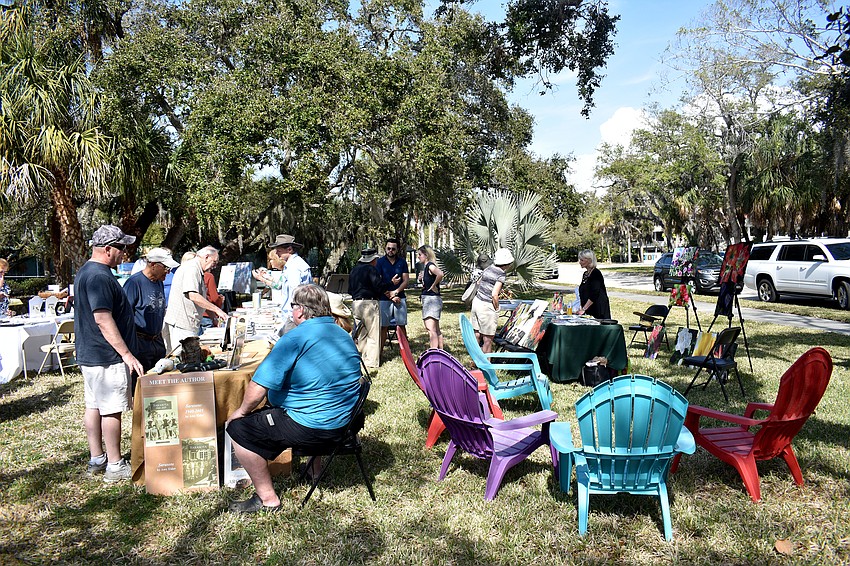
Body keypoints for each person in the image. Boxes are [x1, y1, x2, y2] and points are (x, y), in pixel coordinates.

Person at [225, 284, 362, 513]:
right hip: (346, 422)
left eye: (292, 306)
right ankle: (314, 470)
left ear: (300, 310)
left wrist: (241, 412)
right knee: (311, 402)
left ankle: (267, 499)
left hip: (314, 427)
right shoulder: (341, 333)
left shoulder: (295, 338)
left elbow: (259, 385)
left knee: (238, 429)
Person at [75, 225, 145, 483]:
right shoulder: (100, 277)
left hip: (91, 354)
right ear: (107, 249)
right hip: (106, 356)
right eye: (121, 248)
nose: (125, 254)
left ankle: (98, 458)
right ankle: (115, 465)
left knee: (93, 406)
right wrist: (126, 354)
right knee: (111, 410)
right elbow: (103, 319)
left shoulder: (86, 271)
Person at [122, 248, 180, 379]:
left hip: (157, 341)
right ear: (153, 265)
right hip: (140, 343)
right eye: (165, 268)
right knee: (141, 383)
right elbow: (124, 315)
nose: (168, 272)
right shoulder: (134, 283)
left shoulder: (159, 281)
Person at [163, 246, 228, 354]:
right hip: (181, 326)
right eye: (214, 262)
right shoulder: (192, 268)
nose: (215, 266)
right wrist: (217, 310)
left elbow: (203, 298)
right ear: (206, 257)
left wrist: (213, 317)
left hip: (189, 325)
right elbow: (193, 295)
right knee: (184, 360)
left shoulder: (197, 269)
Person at [251, 234, 312, 334]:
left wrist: (293, 316)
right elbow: (280, 285)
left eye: (279, 251)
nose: (277, 254)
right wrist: (263, 278)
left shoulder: (294, 267)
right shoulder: (291, 265)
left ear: (289, 249)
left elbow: (295, 292)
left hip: (294, 317)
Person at [471, 247, 514, 353]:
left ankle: (475, 361)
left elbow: (479, 282)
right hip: (486, 306)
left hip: (476, 302)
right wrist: (497, 307)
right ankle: (487, 366)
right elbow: (494, 294)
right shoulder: (501, 274)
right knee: (487, 340)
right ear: (507, 263)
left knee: (476, 334)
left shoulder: (489, 268)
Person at [348, 248, 385, 368]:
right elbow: (378, 287)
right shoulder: (371, 269)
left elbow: (349, 289)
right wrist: (390, 283)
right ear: (373, 260)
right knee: (373, 334)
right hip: (369, 303)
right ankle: (372, 362)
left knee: (361, 334)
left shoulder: (354, 270)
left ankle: (363, 358)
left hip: (356, 303)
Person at [376, 238, 409, 352]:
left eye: (393, 249)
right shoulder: (380, 262)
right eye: (388, 248)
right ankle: (379, 352)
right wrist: (390, 296)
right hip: (384, 299)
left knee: (401, 326)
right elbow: (378, 283)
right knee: (383, 326)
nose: (390, 251)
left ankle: (405, 351)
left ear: (397, 249)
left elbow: (406, 280)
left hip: (400, 297)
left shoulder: (402, 262)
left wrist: (395, 292)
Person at [417, 245, 444, 349]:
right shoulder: (427, 267)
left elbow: (440, 274)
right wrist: (422, 279)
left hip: (431, 300)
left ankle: (434, 353)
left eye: (420, 255)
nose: (418, 257)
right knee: (436, 329)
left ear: (426, 255)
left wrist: (433, 286)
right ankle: (441, 353)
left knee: (431, 329)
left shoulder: (430, 265)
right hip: (433, 299)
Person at [577, 249, 611, 319]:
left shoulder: (596, 273)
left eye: (582, 260)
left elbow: (594, 294)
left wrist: (584, 309)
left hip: (598, 310)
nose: (580, 262)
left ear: (589, 260)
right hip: (589, 309)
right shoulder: (585, 274)